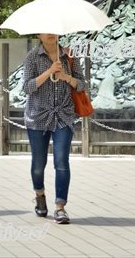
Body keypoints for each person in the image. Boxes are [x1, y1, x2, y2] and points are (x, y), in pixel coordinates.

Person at [22, 32, 85, 224]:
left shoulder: (69, 55)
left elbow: (82, 85)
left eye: (53, 30)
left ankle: (60, 207)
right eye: (45, 30)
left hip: (63, 116)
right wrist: (49, 72)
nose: (50, 34)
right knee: (39, 163)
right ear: (39, 34)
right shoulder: (32, 56)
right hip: (38, 116)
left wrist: (65, 76)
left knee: (61, 161)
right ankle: (39, 194)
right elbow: (27, 87)